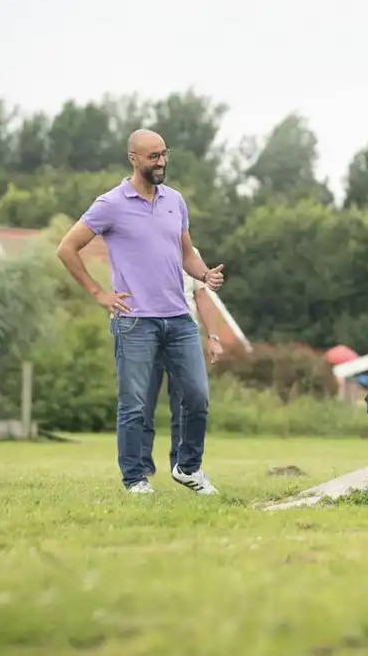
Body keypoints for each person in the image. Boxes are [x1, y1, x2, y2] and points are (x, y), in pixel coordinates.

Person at [55, 129, 225, 495]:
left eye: (164, 154)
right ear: (133, 158)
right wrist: (98, 293)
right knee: (133, 406)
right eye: (153, 156)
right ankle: (135, 479)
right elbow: (67, 247)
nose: (161, 162)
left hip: (178, 319)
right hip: (135, 322)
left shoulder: (175, 200)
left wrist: (204, 274)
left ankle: (187, 468)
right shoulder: (110, 204)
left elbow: (187, 254)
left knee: (197, 397)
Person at [141, 250, 227, 480]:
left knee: (188, 401)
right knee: (142, 402)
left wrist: (213, 337)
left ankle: (181, 465)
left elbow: (202, 296)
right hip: (147, 333)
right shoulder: (141, 245)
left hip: (183, 336)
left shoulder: (190, 253)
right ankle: (141, 465)